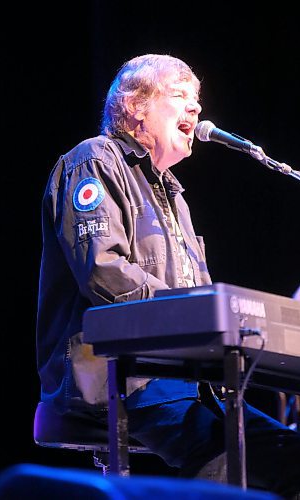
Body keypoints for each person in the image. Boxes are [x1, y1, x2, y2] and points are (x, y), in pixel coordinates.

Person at [36, 53, 300, 498]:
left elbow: (198, 294)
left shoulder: (174, 196)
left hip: (184, 383)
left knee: (290, 457)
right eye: (179, 95)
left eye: (196, 100)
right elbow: (103, 271)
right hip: (119, 378)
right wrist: (194, 317)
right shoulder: (93, 160)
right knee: (223, 453)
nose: (196, 109)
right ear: (136, 104)